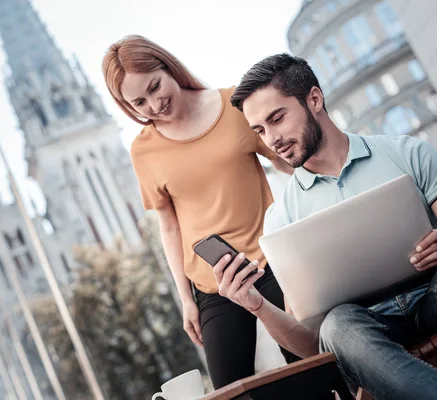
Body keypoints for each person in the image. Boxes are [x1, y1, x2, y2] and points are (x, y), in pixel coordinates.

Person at [213, 53, 437, 400]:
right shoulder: (281, 219)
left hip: (436, 296)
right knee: (336, 327)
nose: (272, 139)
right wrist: (256, 305)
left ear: (314, 98)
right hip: (365, 332)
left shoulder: (407, 152)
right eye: (260, 130)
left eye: (277, 118)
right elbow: (312, 347)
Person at [101, 35, 299, 388]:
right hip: (212, 284)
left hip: (273, 262)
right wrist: (185, 300)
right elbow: (170, 228)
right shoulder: (143, 151)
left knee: (311, 368)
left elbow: (289, 163)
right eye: (139, 102)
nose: (154, 104)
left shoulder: (234, 105)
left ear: (168, 66)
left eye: (155, 86)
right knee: (228, 391)